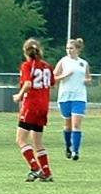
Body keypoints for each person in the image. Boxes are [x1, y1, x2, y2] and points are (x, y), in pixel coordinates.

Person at [13, 38, 55, 182]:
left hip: (31, 105)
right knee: (38, 142)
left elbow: (28, 83)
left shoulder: (27, 65)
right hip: (44, 106)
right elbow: (52, 83)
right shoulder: (47, 66)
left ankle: (35, 168)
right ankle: (47, 172)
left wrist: (19, 96)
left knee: (20, 139)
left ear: (25, 52)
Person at [54, 38, 92, 161]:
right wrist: (65, 75)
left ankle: (76, 151)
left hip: (79, 97)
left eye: (71, 48)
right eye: (67, 48)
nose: (69, 51)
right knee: (68, 125)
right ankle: (68, 146)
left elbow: (88, 78)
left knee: (76, 124)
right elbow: (53, 77)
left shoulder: (83, 63)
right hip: (65, 96)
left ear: (77, 49)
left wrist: (87, 81)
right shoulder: (63, 61)